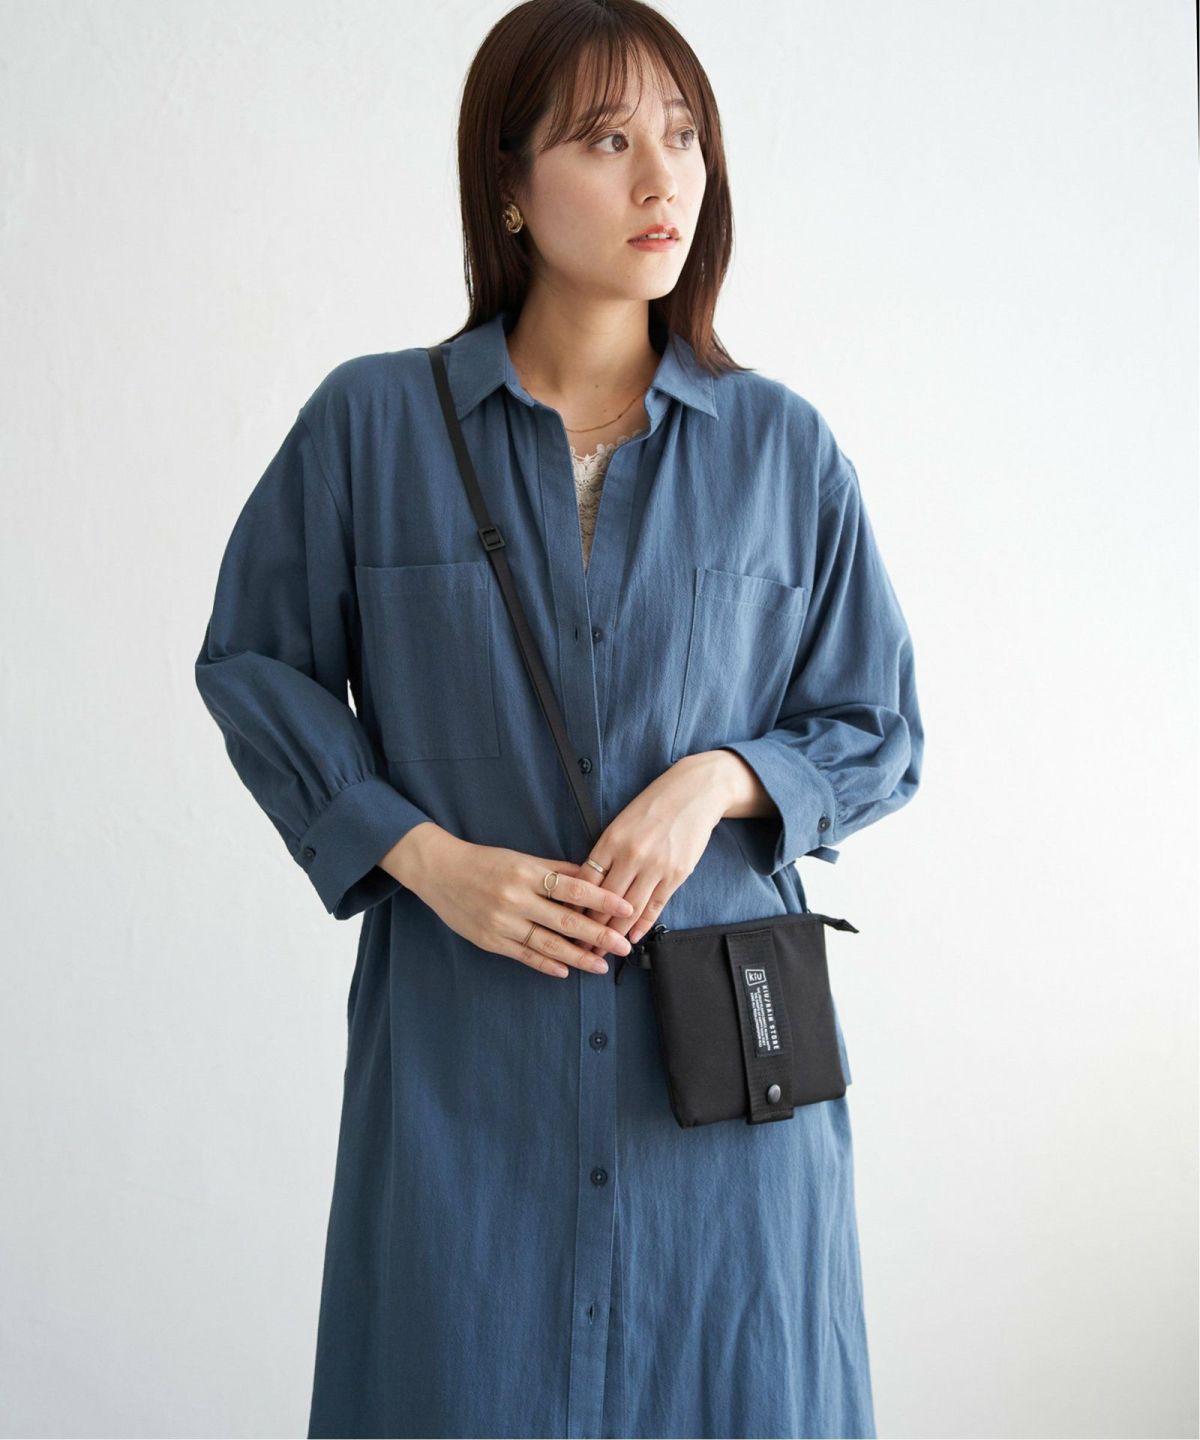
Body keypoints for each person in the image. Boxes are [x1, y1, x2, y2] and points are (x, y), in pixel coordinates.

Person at [194, 2, 924, 1436]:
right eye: (606, 140)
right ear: (511, 186)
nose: (662, 179)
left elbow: (876, 725)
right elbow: (257, 663)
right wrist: (423, 857)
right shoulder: (374, 428)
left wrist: (719, 778)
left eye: (683, 136)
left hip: (722, 1123)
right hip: (468, 1088)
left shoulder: (782, 448)